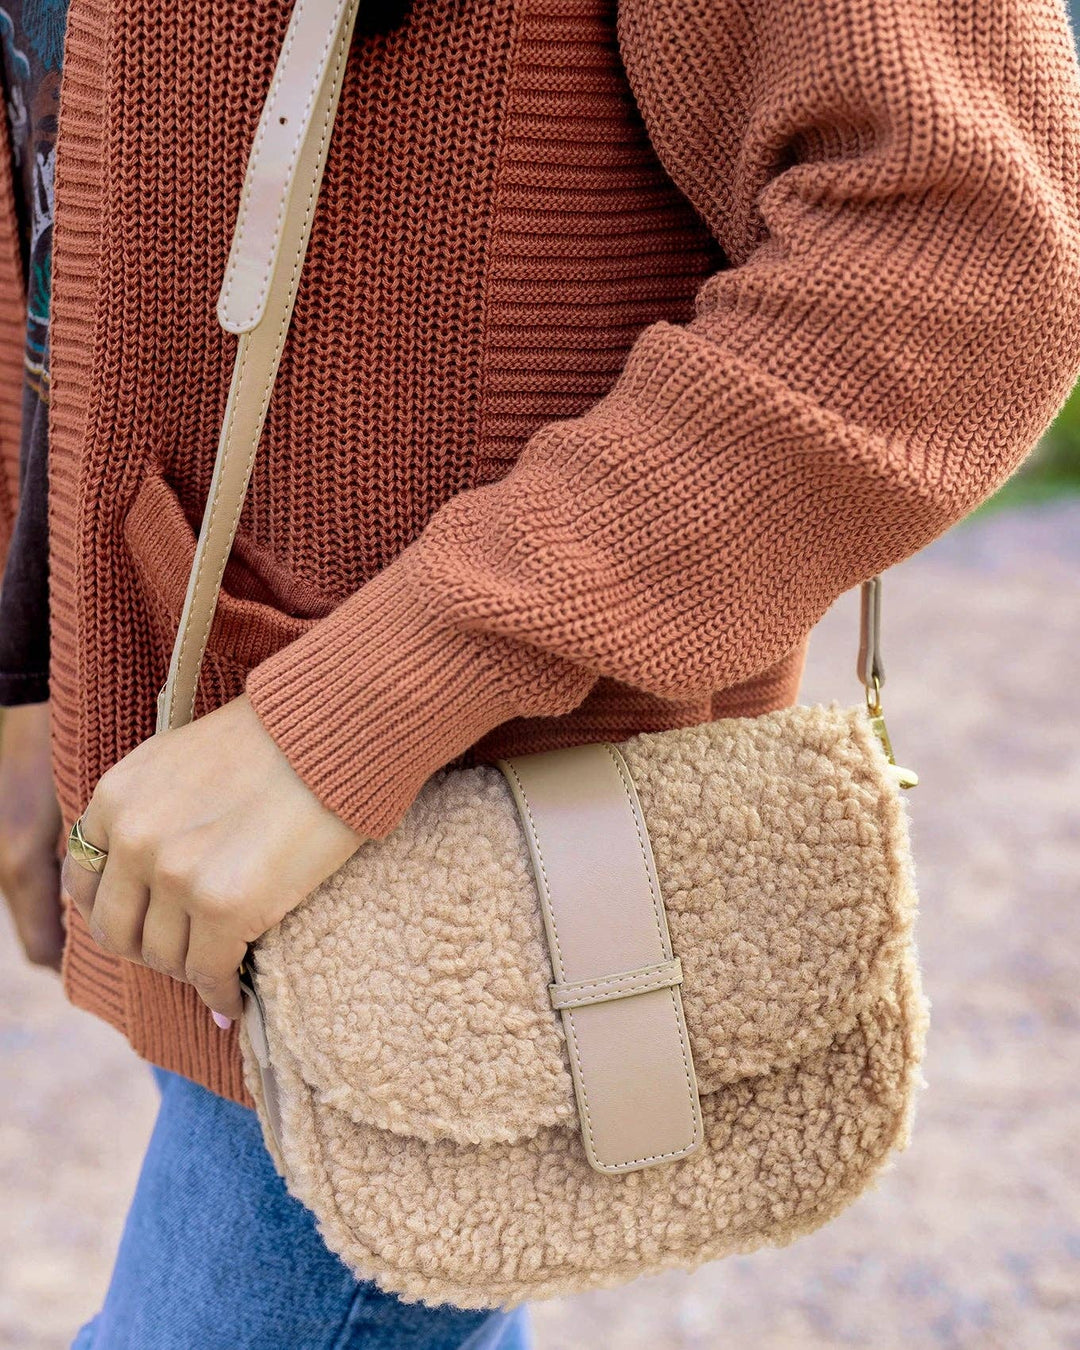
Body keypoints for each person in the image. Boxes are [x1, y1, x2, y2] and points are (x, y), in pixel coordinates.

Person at [1, 0, 1079, 1345]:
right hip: (208, 798)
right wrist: (30, 663)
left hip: (417, 857)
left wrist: (350, 718)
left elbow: (963, 264)